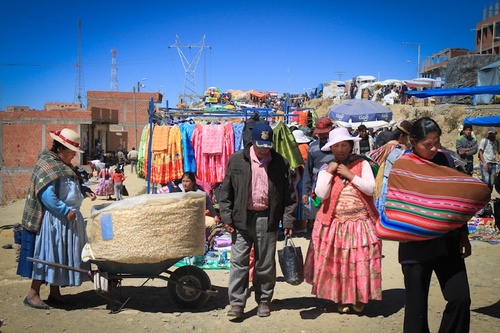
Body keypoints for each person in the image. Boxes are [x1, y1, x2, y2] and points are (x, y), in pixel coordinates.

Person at [398, 118, 472, 332]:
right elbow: (396, 202)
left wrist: (463, 234)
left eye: (436, 142)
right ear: (413, 141)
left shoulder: (445, 160)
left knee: (460, 298)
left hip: (447, 241)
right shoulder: (403, 165)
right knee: (416, 309)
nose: (434, 148)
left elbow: (456, 200)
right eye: (427, 144)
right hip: (415, 244)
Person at [219, 122, 296, 318]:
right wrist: (226, 217)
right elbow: (226, 192)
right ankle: (237, 303)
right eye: (260, 145)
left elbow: (290, 197)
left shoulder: (280, 162)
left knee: (265, 264)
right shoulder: (237, 160)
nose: (263, 150)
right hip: (241, 219)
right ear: (252, 142)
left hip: (267, 218)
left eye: (267, 146)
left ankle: (263, 300)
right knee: (238, 262)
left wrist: (287, 221)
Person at [304, 127, 381, 314]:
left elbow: (370, 189)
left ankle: (358, 297)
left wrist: (349, 174)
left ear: (350, 145)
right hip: (335, 223)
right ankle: (342, 298)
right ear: (331, 148)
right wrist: (329, 173)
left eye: (344, 145)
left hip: (360, 222)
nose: (340, 149)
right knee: (339, 263)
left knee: (358, 261)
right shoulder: (326, 168)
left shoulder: (362, 164)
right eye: (336, 146)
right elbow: (321, 194)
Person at [17, 128, 97, 309]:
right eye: (70, 153)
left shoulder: (64, 165)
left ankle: (54, 293)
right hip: (56, 220)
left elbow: (71, 184)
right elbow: (47, 195)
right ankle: (33, 294)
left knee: (60, 256)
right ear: (60, 149)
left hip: (68, 219)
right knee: (49, 255)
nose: (72, 158)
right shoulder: (47, 165)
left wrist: (84, 191)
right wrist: (64, 211)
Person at [301, 117, 334, 232]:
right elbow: (308, 171)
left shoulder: (337, 147)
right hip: (317, 192)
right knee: (318, 223)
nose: (324, 137)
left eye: (326, 134)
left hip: (334, 190)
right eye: (321, 134)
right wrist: (305, 192)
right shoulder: (313, 147)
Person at [478, 127, 499, 191]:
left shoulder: (497, 142)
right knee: (486, 180)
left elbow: (499, 152)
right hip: (485, 163)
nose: (491, 135)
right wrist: (484, 163)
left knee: (492, 182)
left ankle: (489, 195)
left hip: (493, 163)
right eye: (490, 134)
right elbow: (480, 152)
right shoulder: (484, 141)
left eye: (493, 134)